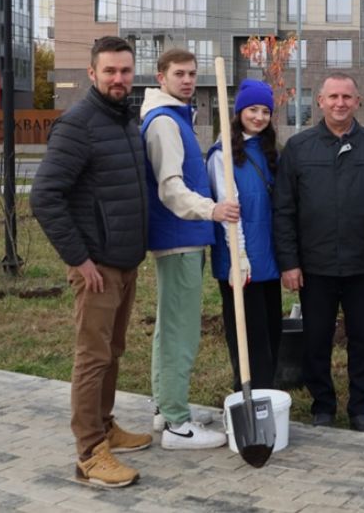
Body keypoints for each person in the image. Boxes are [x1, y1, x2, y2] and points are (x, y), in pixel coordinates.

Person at [31, 36, 151, 487]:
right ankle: (88, 452)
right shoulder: (78, 125)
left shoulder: (124, 120)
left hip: (124, 261)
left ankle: (104, 425)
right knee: (92, 356)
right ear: (92, 73)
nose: (119, 79)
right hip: (97, 267)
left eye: (125, 71)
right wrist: (79, 259)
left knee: (112, 351)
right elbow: (45, 196)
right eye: (110, 71)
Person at [274, 74, 364, 433]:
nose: (340, 103)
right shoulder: (298, 148)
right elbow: (283, 210)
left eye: (347, 97)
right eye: (333, 96)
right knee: (316, 339)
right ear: (320, 101)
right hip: (315, 265)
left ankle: (361, 408)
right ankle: (323, 406)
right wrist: (289, 262)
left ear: (358, 102)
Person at [141, 48, 238, 450]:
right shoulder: (164, 122)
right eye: (179, 74)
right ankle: (177, 425)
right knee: (180, 332)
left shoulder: (173, 117)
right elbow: (170, 188)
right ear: (161, 77)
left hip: (183, 237)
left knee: (171, 327)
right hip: (179, 236)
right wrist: (211, 209)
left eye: (192, 74)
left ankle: (166, 408)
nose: (187, 80)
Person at [206, 79, 283, 394]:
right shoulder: (222, 155)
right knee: (249, 339)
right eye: (253, 109)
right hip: (241, 260)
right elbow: (229, 212)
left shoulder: (270, 152)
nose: (259, 117)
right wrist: (239, 257)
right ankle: (249, 396)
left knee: (271, 332)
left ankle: (268, 395)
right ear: (239, 112)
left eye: (266, 111)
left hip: (269, 259)